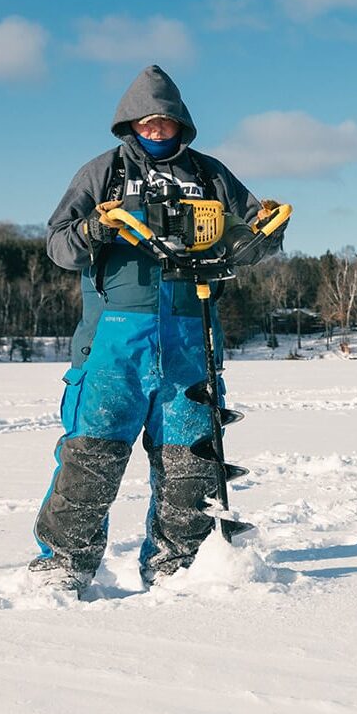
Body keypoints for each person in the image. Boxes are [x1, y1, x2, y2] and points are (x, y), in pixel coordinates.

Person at [30, 64, 285, 596]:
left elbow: (247, 238)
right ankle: (64, 563)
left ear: (180, 125)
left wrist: (268, 231)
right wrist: (97, 226)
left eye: (165, 123)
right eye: (146, 123)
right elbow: (58, 245)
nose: (156, 131)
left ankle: (180, 561)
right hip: (114, 338)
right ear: (129, 125)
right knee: (92, 454)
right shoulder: (103, 172)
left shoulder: (210, 173)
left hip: (191, 331)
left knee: (190, 458)